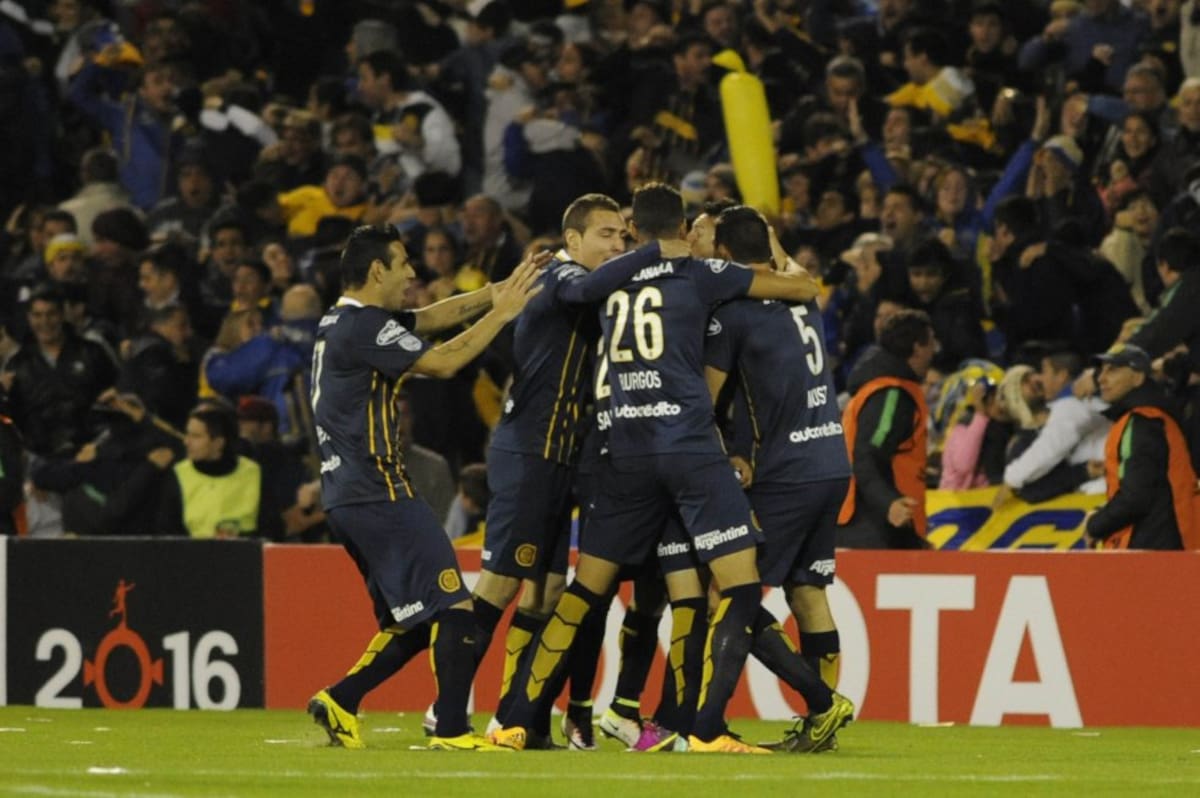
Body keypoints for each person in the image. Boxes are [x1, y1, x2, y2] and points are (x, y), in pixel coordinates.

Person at [489, 183, 850, 755]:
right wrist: (772, 243)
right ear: (683, 230)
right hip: (688, 448)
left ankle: (513, 718)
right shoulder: (703, 275)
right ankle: (710, 726)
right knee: (734, 585)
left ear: (634, 232)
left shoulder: (610, 278)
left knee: (588, 590)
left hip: (623, 451)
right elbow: (802, 288)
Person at [306, 224, 543, 752]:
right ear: (376, 271)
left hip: (348, 493)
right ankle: (454, 731)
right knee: (455, 607)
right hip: (377, 487)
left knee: (415, 620)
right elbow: (443, 360)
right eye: (403, 263)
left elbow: (432, 318)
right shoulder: (364, 326)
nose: (413, 273)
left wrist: (495, 291)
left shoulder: (342, 321)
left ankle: (342, 699)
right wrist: (503, 315)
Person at [702, 206, 854, 753]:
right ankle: (823, 728)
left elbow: (706, 395)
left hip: (785, 471)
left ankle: (820, 703)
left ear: (722, 256)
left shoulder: (733, 314)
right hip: (832, 460)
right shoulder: (802, 291)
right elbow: (789, 263)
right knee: (808, 589)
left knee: (727, 589)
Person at [838, 309, 938, 549]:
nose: (935, 350)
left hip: (880, 525)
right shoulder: (891, 395)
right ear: (917, 347)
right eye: (931, 342)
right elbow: (866, 457)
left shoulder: (880, 388)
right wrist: (889, 504)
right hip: (874, 528)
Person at [1086, 344, 1198, 550]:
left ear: (1137, 378)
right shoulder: (1150, 418)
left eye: (1113, 370)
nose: (1101, 378)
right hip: (1163, 543)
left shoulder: (1143, 422)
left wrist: (1095, 525)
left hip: (1152, 550)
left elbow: (1136, 498)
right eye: (1101, 370)